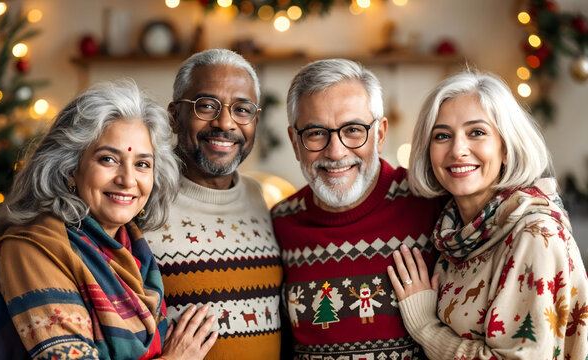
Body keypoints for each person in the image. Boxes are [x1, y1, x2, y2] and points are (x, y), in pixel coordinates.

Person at [0, 80, 218, 359]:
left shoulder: (134, 254)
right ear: (70, 168)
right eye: (108, 159)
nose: (127, 179)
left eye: (142, 164)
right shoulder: (33, 250)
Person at [387, 71, 588, 359]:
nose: (457, 150)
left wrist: (426, 328)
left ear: (506, 148)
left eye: (477, 132)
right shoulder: (453, 235)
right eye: (442, 136)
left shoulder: (535, 235)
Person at [271, 58, 443, 359]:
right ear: (294, 142)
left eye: (353, 130)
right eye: (315, 133)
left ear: (380, 134)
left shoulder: (430, 203)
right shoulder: (281, 222)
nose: (335, 151)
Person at [143, 49, 282, 359]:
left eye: (242, 110)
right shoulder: (140, 200)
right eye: (206, 106)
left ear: (255, 121)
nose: (225, 123)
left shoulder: (261, 198)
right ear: (174, 117)